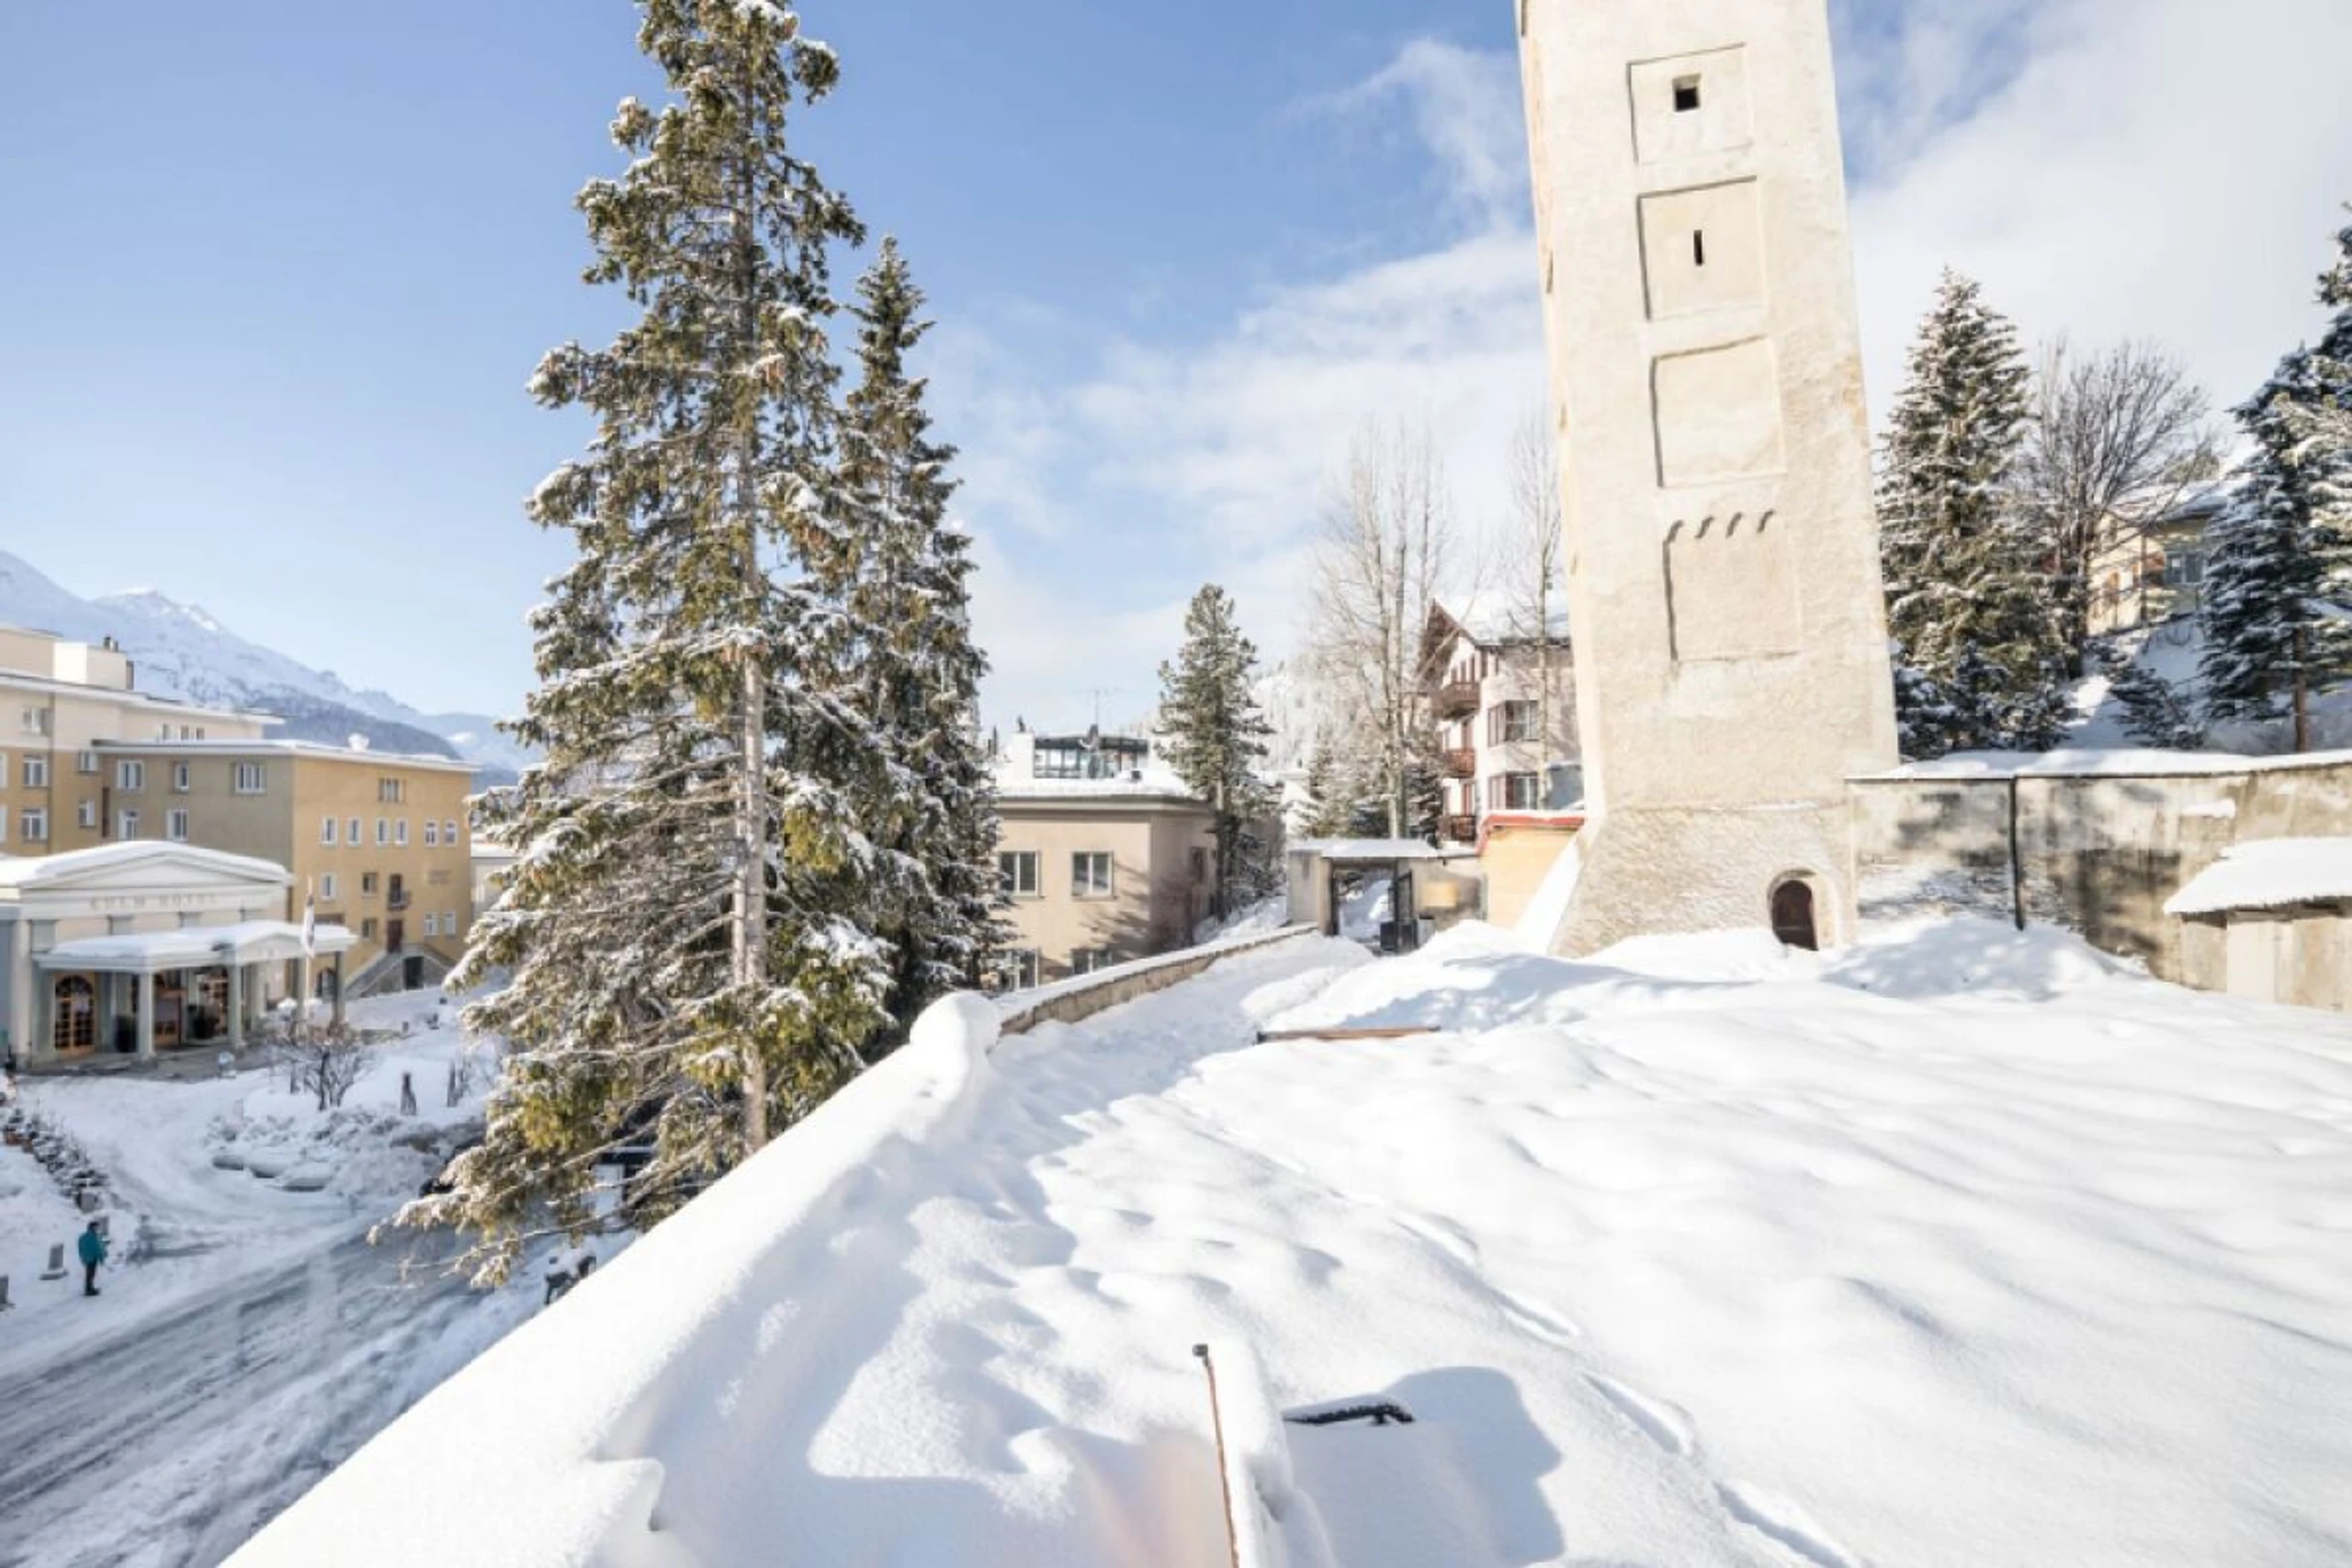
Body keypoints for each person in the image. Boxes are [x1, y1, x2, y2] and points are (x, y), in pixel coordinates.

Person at [77, 1221, 107, 1297]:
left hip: (86, 1257)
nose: (98, 1229)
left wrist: (82, 1257)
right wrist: (101, 1258)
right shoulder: (94, 1237)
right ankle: (89, 1290)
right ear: (93, 1227)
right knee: (91, 1274)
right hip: (93, 1257)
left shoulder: (82, 1236)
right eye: (96, 1227)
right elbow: (97, 1249)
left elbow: (80, 1248)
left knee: (89, 1274)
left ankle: (89, 1288)